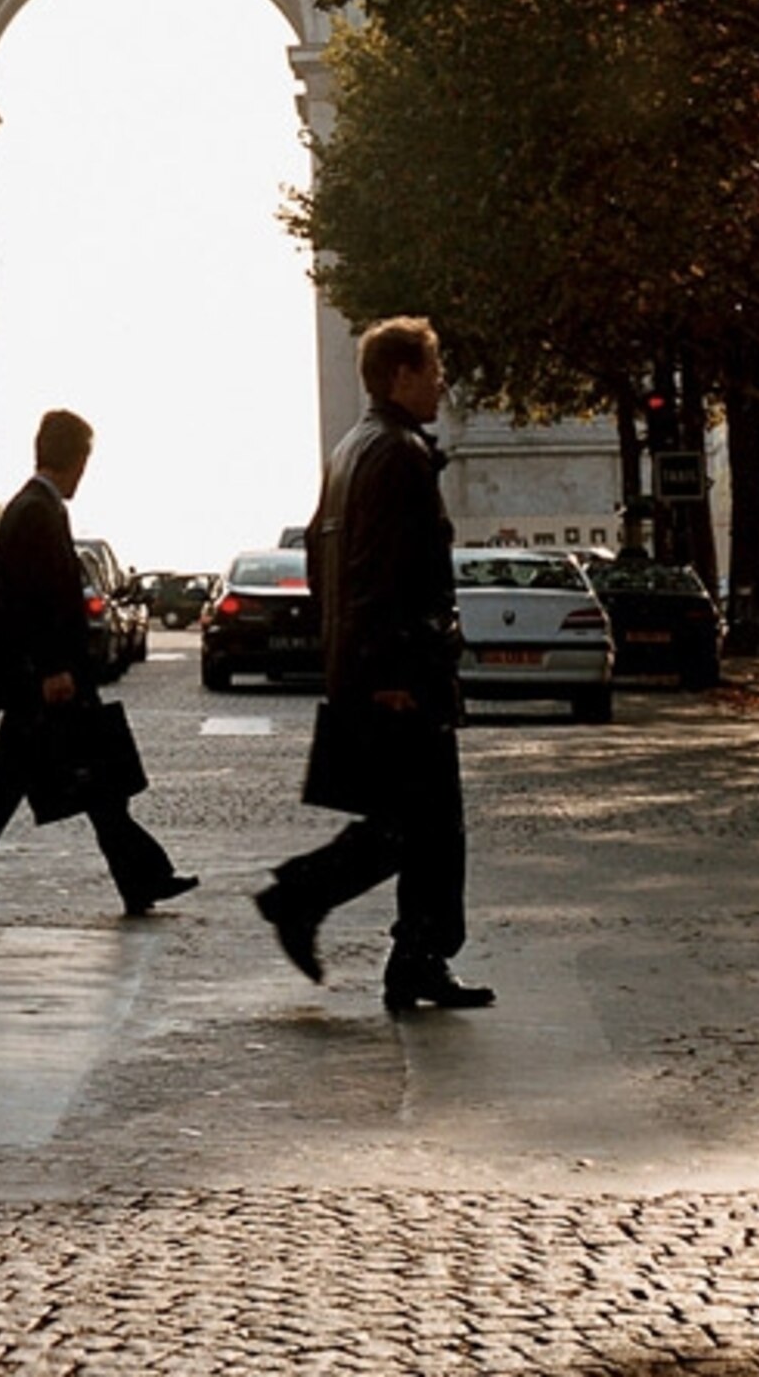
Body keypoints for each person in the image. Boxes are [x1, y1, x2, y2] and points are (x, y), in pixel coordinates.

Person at [254, 316, 491, 1012]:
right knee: (428, 829)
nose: (443, 380)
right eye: (434, 366)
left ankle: (408, 956)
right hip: (400, 676)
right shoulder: (398, 455)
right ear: (400, 376)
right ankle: (311, 904)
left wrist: (351, 662)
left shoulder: (350, 449)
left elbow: (325, 566)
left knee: (409, 827)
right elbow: (383, 573)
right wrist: (391, 673)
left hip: (369, 668)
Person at [0, 409, 197, 921]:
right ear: (77, 459)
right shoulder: (39, 511)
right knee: (60, 779)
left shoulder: (32, 506)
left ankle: (140, 877)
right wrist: (52, 668)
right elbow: (36, 603)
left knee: (68, 779)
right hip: (43, 680)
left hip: (36, 676)